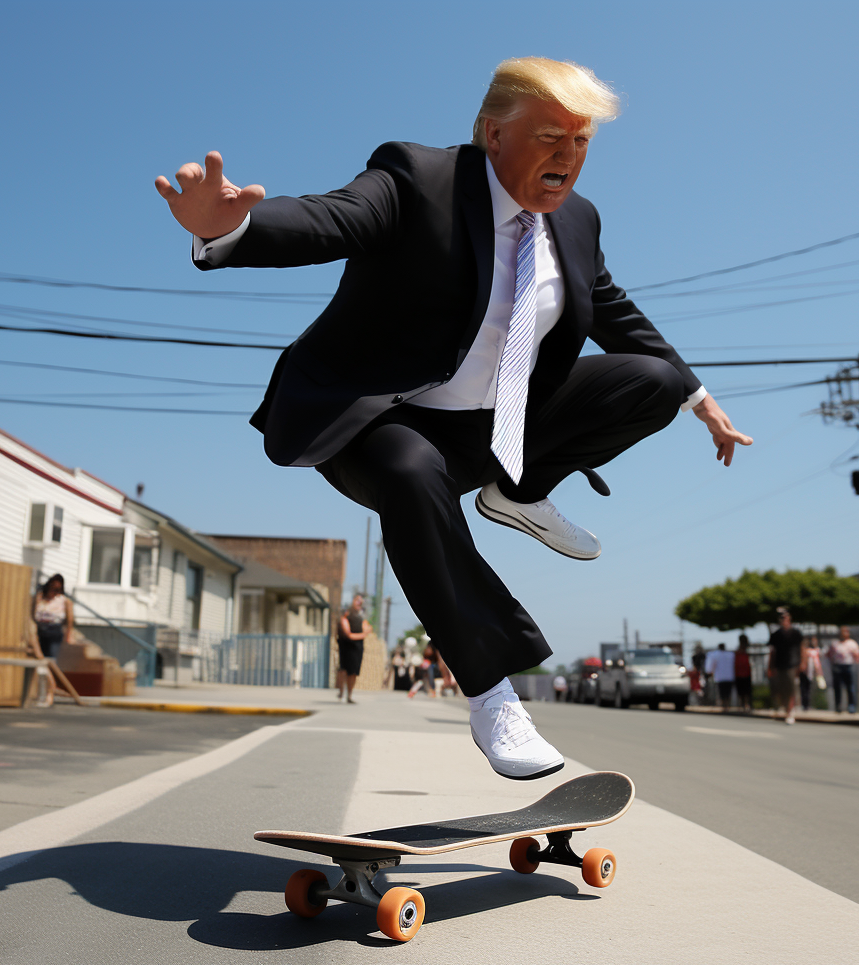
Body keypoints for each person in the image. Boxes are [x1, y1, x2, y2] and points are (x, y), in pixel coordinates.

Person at [156, 57, 752, 780]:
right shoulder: (418, 177)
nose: (567, 157)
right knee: (411, 472)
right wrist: (237, 229)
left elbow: (615, 310)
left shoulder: (579, 221)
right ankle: (491, 692)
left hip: (490, 430)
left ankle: (518, 493)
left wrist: (699, 397)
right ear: (492, 134)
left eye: (582, 140)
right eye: (549, 137)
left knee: (651, 382)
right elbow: (329, 218)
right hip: (382, 421)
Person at [768, 608, 804, 725]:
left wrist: (803, 663)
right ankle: (785, 708)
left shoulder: (796, 633)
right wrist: (770, 667)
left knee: (791, 688)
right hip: (779, 665)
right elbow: (772, 651)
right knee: (780, 689)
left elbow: (803, 648)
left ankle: (790, 711)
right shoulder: (776, 635)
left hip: (792, 664)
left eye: (786, 617)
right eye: (782, 618)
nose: (784, 620)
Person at [336, 594, 370, 703]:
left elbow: (367, 628)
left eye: (361, 601)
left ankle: (349, 695)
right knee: (343, 669)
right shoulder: (347, 614)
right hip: (346, 645)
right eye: (357, 600)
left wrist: (361, 635)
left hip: (357, 647)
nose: (359, 603)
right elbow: (347, 633)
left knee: (354, 672)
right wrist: (361, 635)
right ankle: (341, 692)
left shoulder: (362, 615)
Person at [33, 574, 73, 665]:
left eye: (57, 589)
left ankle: (51, 678)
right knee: (39, 657)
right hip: (40, 629)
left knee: (51, 657)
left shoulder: (63, 600)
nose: (54, 591)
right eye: (52, 588)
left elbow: (69, 619)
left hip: (54, 630)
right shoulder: (40, 598)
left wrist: (68, 634)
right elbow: (33, 613)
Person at [826, 626, 859, 714]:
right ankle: (838, 706)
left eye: (845, 632)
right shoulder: (835, 643)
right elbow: (828, 654)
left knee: (851, 687)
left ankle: (851, 706)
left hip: (849, 665)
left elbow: (857, 654)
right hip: (838, 666)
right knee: (837, 687)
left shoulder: (852, 643)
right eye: (842, 632)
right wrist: (833, 662)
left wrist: (855, 661)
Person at [703, 642, 736, 711]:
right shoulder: (730, 654)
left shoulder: (715, 655)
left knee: (722, 693)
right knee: (728, 693)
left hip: (720, 677)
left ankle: (724, 706)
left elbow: (711, 666)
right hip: (729, 676)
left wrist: (710, 672)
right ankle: (727, 705)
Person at [800, 636, 825, 712]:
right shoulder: (805, 651)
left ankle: (809, 704)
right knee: (805, 689)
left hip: (814, 672)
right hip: (805, 672)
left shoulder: (817, 651)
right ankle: (805, 705)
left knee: (811, 689)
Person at [734, 634, 753, 712]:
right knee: (742, 691)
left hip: (745, 673)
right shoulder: (738, 651)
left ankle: (746, 705)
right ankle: (743, 705)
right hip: (740, 673)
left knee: (746, 691)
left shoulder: (747, 649)